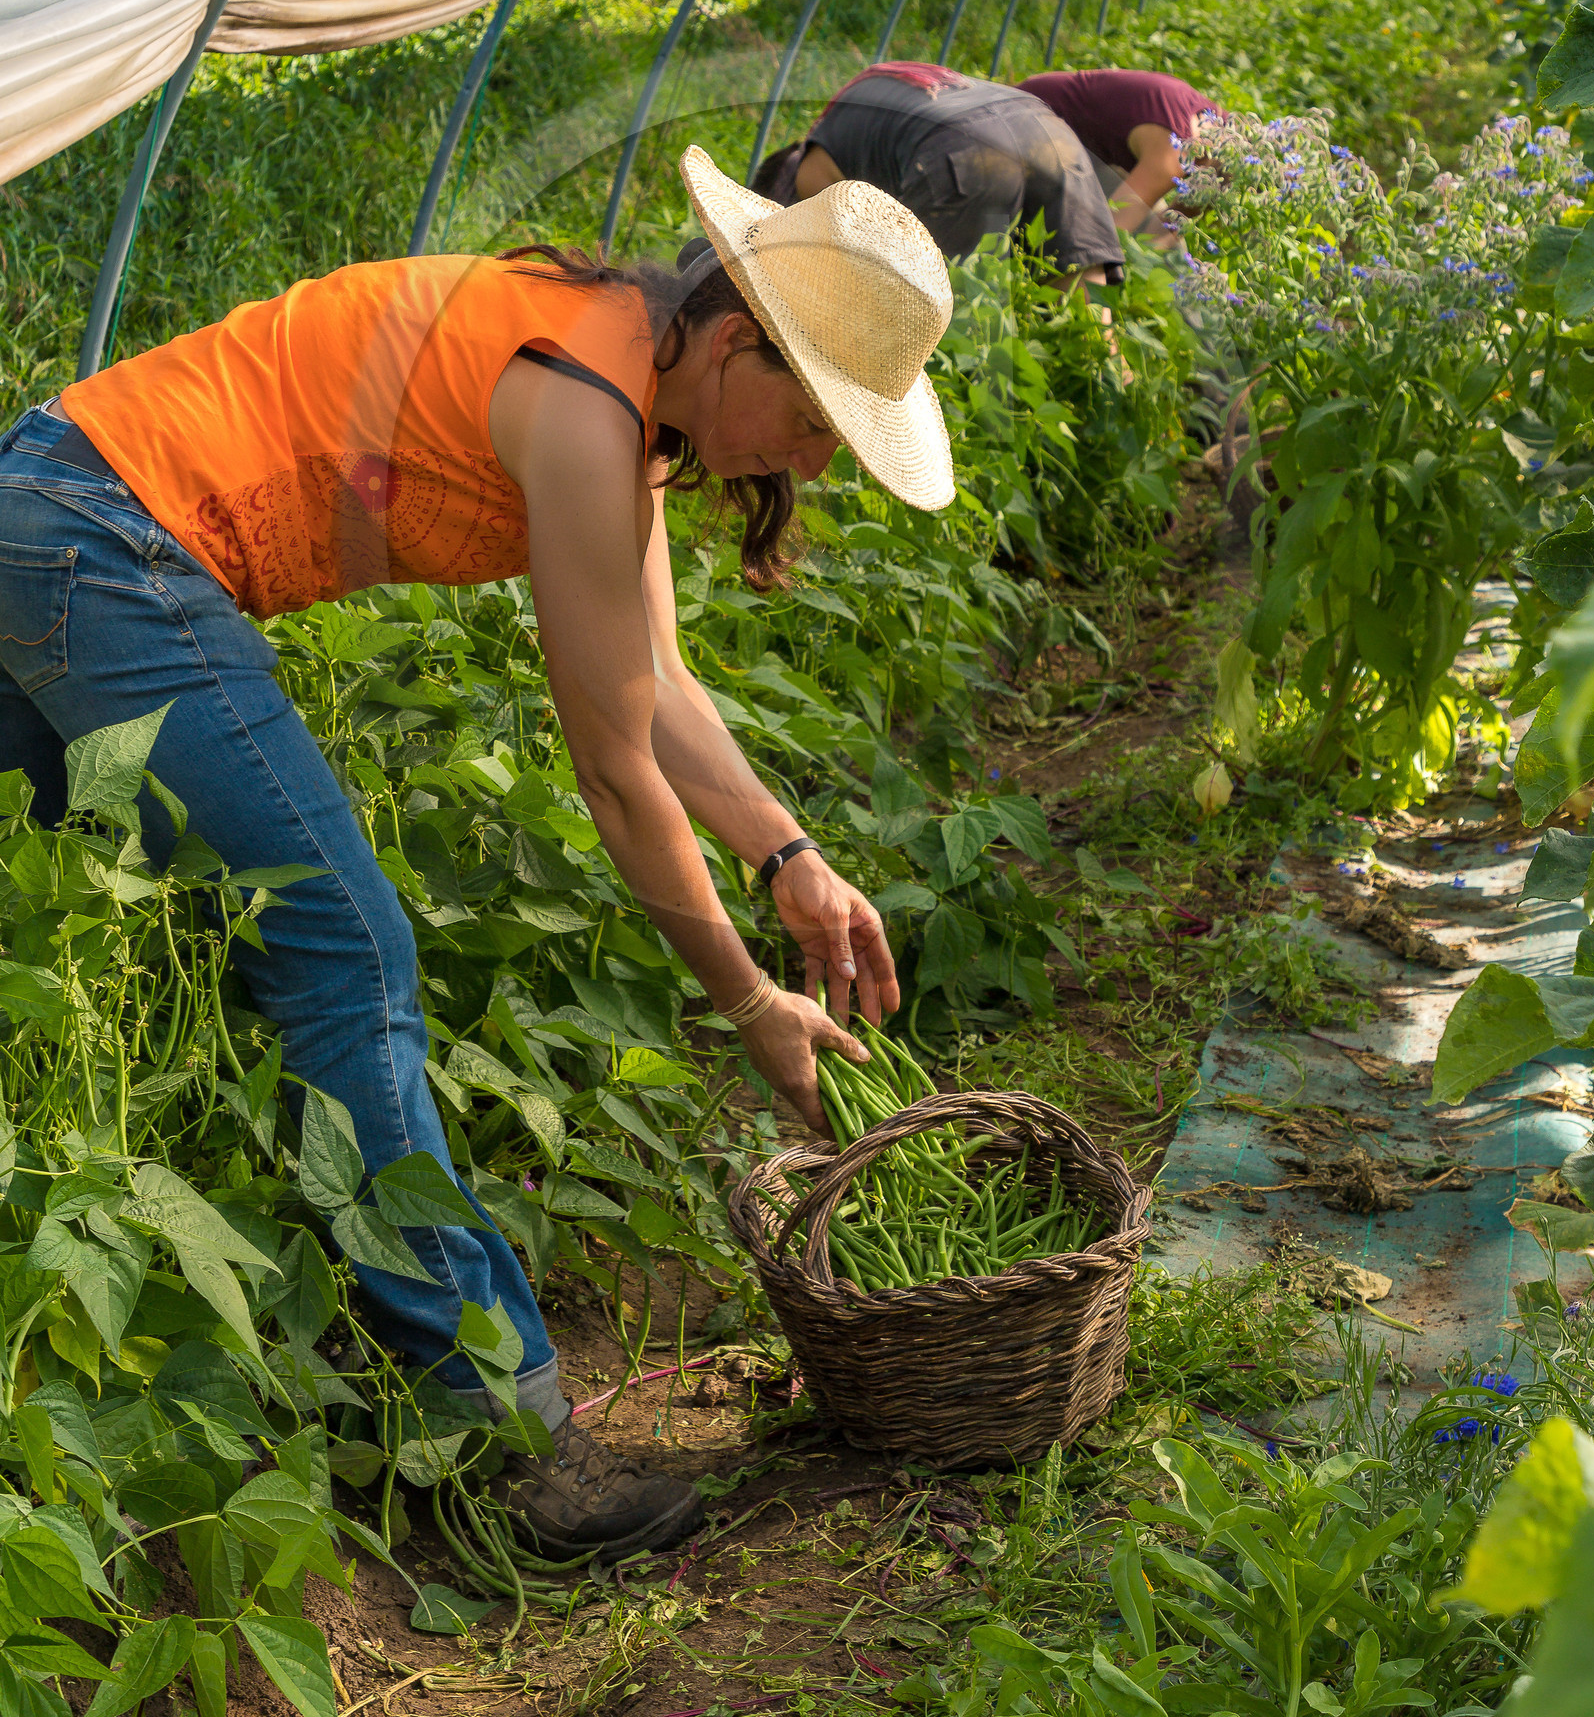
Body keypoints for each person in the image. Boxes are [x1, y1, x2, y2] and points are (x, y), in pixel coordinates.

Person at [0, 147, 955, 1563]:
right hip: (105, 540)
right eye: (816, 422)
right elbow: (618, 777)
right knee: (345, 950)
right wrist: (753, 1007)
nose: (812, 464)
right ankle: (505, 1440)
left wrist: (787, 858)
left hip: (56, 509)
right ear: (743, 341)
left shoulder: (618, 377)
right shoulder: (581, 406)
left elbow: (660, 689)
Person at [754, 60, 1124, 290]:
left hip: (967, 147)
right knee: (1087, 317)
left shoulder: (806, 165)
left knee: (936, 320)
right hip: (1047, 129)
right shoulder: (867, 101)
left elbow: (830, 240)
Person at [1015, 66, 1227, 233]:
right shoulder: (1174, 150)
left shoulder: (1212, 124)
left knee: (1167, 254)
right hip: (1024, 120)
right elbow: (1115, 230)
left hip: (1083, 153)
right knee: (1092, 262)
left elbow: (1167, 231)